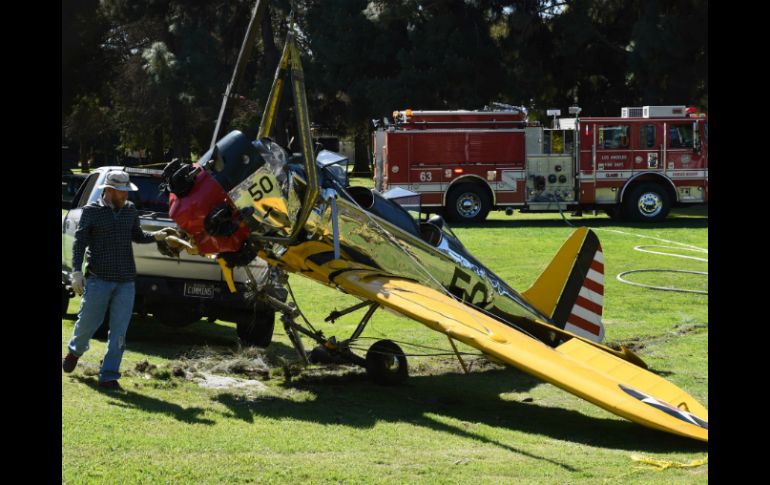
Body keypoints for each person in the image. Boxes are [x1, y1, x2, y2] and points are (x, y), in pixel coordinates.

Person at [62, 170, 177, 390]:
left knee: (119, 331)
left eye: (126, 191)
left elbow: (138, 236)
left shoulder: (130, 210)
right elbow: (79, 242)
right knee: (88, 323)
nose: (125, 195)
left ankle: (108, 375)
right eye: (121, 191)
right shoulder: (91, 211)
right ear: (108, 190)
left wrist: (157, 236)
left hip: (126, 281)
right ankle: (74, 351)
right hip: (98, 279)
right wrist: (76, 272)